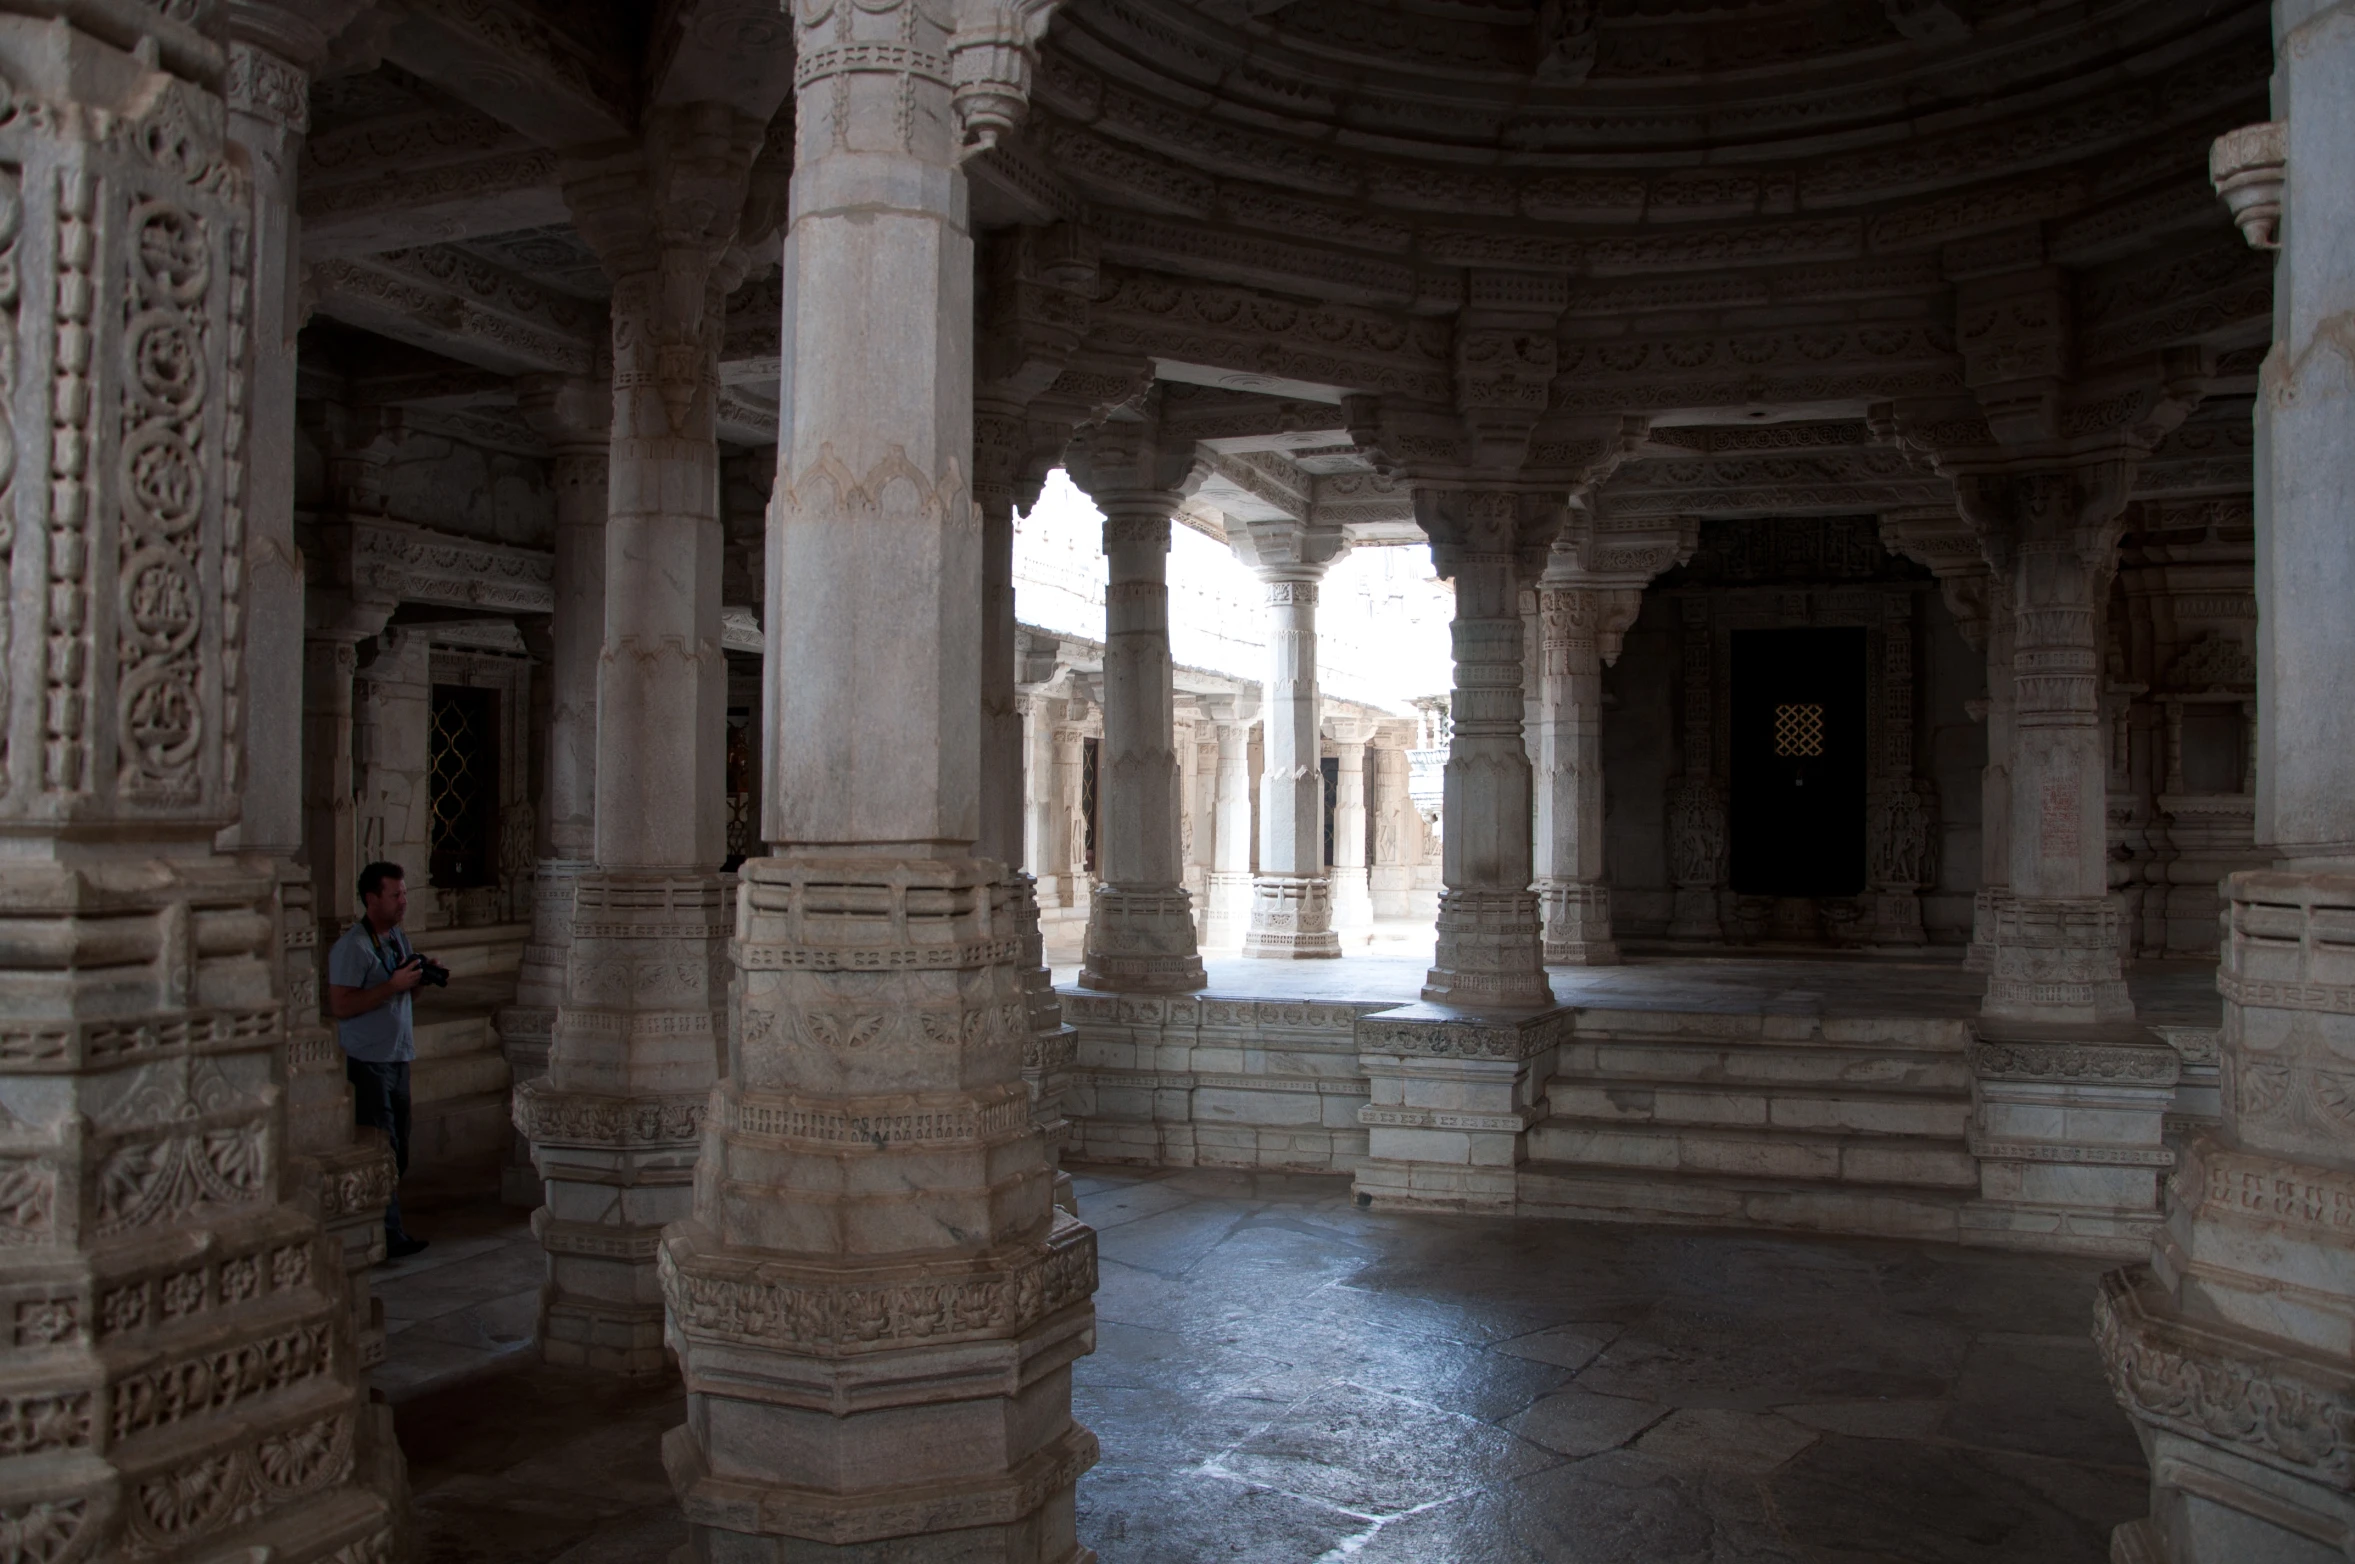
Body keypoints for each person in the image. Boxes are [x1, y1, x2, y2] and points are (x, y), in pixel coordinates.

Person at [326, 861, 432, 1259]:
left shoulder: (397, 940)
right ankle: (387, 1235)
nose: (404, 901)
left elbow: (406, 996)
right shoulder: (352, 947)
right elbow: (340, 1004)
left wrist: (419, 981)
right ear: (372, 899)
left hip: (398, 1056)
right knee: (381, 1146)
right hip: (367, 1060)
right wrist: (391, 985)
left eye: (405, 893)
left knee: (399, 1147)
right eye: (396, 895)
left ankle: (379, 1221)